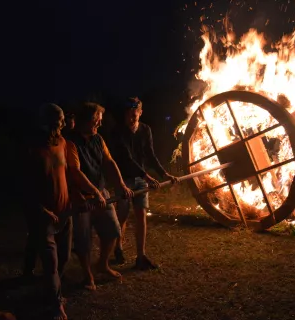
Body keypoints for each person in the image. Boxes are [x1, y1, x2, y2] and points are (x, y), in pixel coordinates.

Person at [65, 102, 134, 290]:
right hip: (80, 197)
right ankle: (88, 276)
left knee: (113, 230)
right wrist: (93, 193)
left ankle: (102, 264)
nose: (99, 124)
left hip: (100, 192)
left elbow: (109, 162)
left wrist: (120, 185)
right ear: (86, 120)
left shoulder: (98, 139)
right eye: (97, 120)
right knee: (83, 239)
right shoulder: (70, 142)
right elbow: (75, 172)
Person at [110, 97, 178, 270]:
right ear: (125, 115)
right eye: (129, 115)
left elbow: (150, 155)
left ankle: (141, 256)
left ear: (140, 113)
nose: (132, 118)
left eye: (135, 114)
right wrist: (146, 176)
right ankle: (118, 247)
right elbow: (126, 158)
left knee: (141, 216)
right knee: (122, 216)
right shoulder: (118, 131)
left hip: (140, 180)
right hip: (123, 178)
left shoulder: (145, 129)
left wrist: (164, 174)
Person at [21, 103, 72, 320]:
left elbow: (68, 174)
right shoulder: (31, 149)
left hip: (65, 213)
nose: (62, 123)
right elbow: (25, 188)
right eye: (58, 120)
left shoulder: (62, 143)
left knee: (64, 258)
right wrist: (42, 211)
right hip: (44, 218)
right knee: (51, 263)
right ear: (47, 122)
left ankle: (51, 291)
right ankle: (56, 304)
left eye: (62, 119)